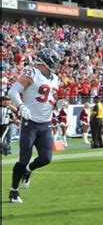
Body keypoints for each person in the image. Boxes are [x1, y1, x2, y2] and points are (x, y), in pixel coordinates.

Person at [7, 48, 60, 203]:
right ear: (46, 60)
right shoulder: (32, 72)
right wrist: (21, 106)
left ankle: (28, 171)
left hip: (46, 123)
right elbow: (13, 91)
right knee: (24, 158)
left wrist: (57, 105)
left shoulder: (54, 77)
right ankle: (14, 191)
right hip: (30, 123)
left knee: (46, 158)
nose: (56, 64)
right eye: (53, 61)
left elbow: (47, 98)